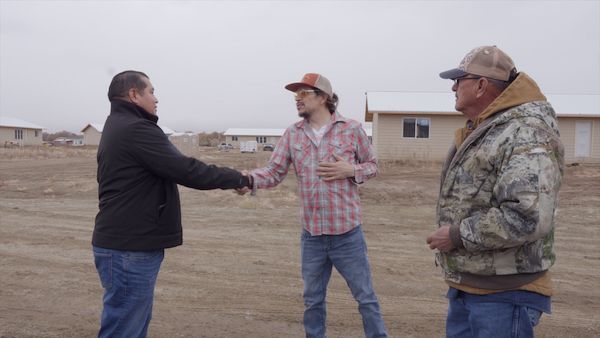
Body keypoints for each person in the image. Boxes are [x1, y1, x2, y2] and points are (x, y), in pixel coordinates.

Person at [92, 70, 252, 338]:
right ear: (134, 94)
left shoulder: (118, 125)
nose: (156, 98)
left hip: (126, 244)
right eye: (151, 91)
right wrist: (236, 177)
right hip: (129, 247)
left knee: (130, 322)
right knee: (124, 328)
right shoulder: (136, 129)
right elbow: (185, 169)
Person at [426, 46, 564, 338]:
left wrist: (456, 235)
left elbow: (527, 217)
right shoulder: (489, 129)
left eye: (459, 79)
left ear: (480, 85)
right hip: (472, 287)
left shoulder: (524, 131)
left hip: (504, 295)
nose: (453, 87)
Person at [244, 73, 387, 338]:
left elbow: (373, 166)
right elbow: (274, 172)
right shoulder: (293, 134)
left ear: (323, 97)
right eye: (295, 95)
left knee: (365, 298)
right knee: (313, 302)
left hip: (347, 235)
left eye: (303, 94)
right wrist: (249, 180)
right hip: (312, 236)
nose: (297, 100)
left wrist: (350, 169)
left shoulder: (352, 128)